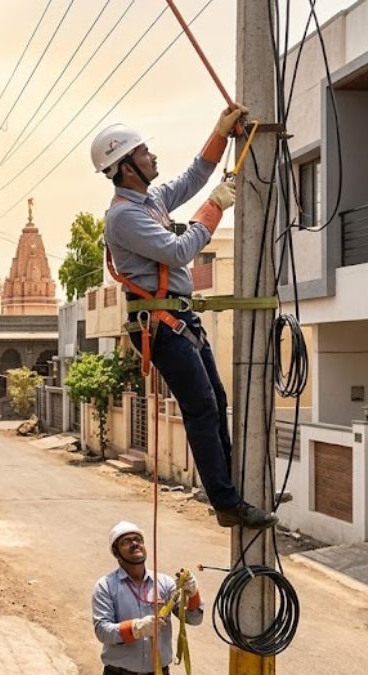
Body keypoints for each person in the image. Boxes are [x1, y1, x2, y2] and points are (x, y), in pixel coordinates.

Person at [90, 106, 278, 530]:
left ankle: (233, 490)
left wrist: (220, 134)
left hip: (178, 320)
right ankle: (226, 503)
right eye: (144, 153)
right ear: (125, 168)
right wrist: (214, 208)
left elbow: (193, 177)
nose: (152, 157)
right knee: (201, 408)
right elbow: (179, 251)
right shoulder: (124, 216)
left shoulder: (150, 200)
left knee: (216, 402)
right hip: (159, 325)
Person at [92, 521, 201, 675]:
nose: (135, 544)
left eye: (138, 539)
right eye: (126, 541)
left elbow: (194, 618)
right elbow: (102, 630)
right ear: (116, 553)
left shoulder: (165, 583)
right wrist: (136, 628)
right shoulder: (106, 587)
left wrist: (192, 593)